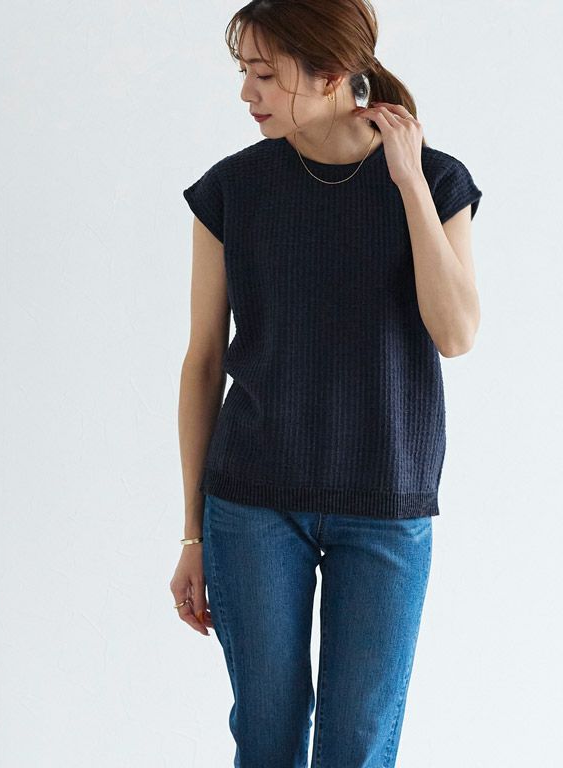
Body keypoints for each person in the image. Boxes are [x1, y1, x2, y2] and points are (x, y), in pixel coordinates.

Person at [170, 1, 483, 765]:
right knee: (267, 738)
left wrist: (408, 182)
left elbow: (456, 334)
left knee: (358, 746)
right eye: (244, 71)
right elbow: (203, 361)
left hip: (386, 504)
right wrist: (192, 532)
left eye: (264, 74)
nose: (247, 92)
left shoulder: (437, 180)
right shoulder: (232, 190)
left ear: (334, 73)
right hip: (251, 505)